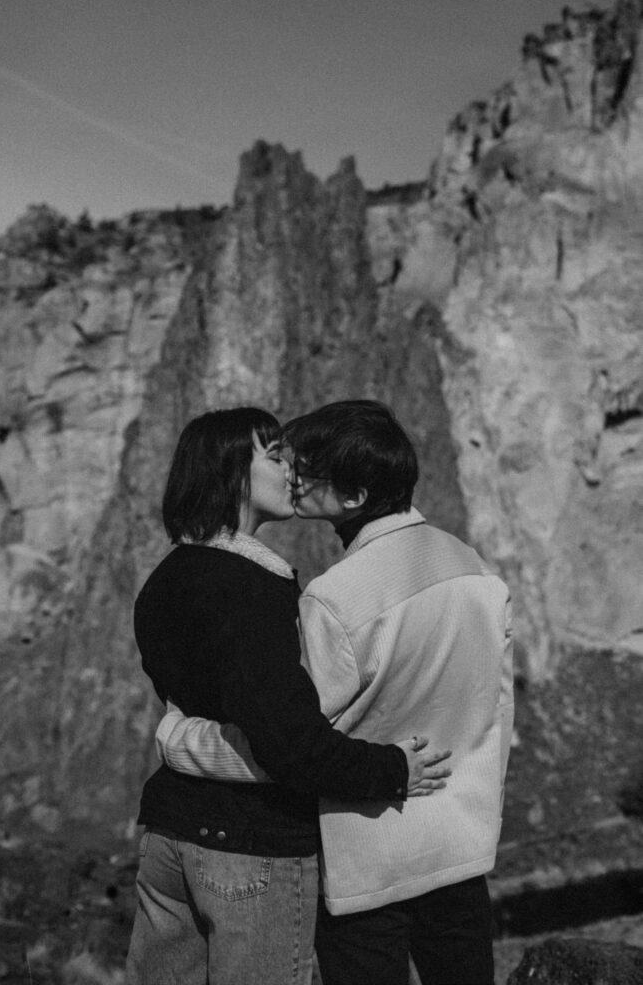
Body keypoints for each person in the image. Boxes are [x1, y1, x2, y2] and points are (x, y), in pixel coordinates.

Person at [156, 399, 514, 985]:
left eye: (308, 467)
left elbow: (288, 742)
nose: (293, 477)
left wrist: (180, 739)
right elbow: (499, 706)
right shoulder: (474, 569)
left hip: (368, 861)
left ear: (353, 498)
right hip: (461, 846)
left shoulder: (336, 599)